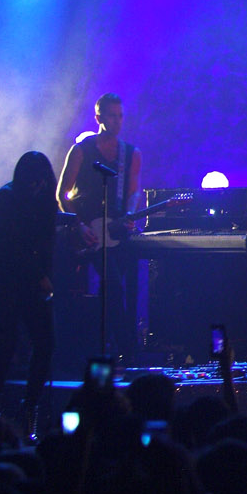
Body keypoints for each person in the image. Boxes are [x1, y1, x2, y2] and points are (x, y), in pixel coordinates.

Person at [0, 152, 68, 424]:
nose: (38, 186)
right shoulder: (7, 198)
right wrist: (39, 276)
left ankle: (29, 407)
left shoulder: (45, 202)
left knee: (45, 344)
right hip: (1, 282)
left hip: (31, 285)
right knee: (6, 344)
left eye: (42, 181)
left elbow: (45, 245)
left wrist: (45, 277)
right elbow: (9, 245)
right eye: (33, 181)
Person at [57, 92, 142, 355]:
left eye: (120, 116)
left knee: (120, 288)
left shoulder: (130, 154)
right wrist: (79, 226)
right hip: (88, 233)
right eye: (112, 116)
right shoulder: (81, 150)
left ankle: (112, 347)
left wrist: (129, 214)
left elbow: (133, 192)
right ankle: (126, 350)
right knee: (113, 286)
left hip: (117, 232)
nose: (117, 121)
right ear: (98, 118)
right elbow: (62, 193)